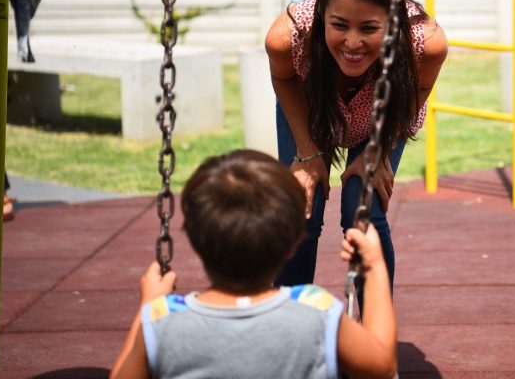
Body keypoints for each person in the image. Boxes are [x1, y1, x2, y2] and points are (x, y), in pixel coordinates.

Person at [110, 149, 397, 379]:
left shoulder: (163, 320)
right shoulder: (316, 311)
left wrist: (146, 310)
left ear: (196, 244)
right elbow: (382, 366)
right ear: (292, 244)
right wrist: (374, 267)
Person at [265, 0, 447, 289]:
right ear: (321, 17)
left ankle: (375, 332)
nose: (352, 42)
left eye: (369, 28)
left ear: (391, 23)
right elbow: (285, 79)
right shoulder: (288, 36)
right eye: (339, 25)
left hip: (383, 111)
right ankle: (292, 326)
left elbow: (418, 89)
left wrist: (377, 153)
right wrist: (308, 153)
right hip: (311, 105)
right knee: (301, 205)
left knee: (362, 209)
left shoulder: (425, 42)